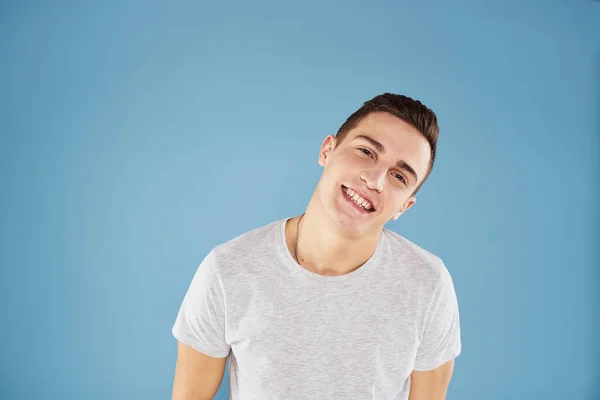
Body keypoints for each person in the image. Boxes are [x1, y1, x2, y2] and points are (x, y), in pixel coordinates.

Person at [171, 93, 462, 400]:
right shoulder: (227, 270)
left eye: (399, 176)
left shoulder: (427, 284)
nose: (376, 180)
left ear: (405, 205)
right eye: (366, 151)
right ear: (328, 150)